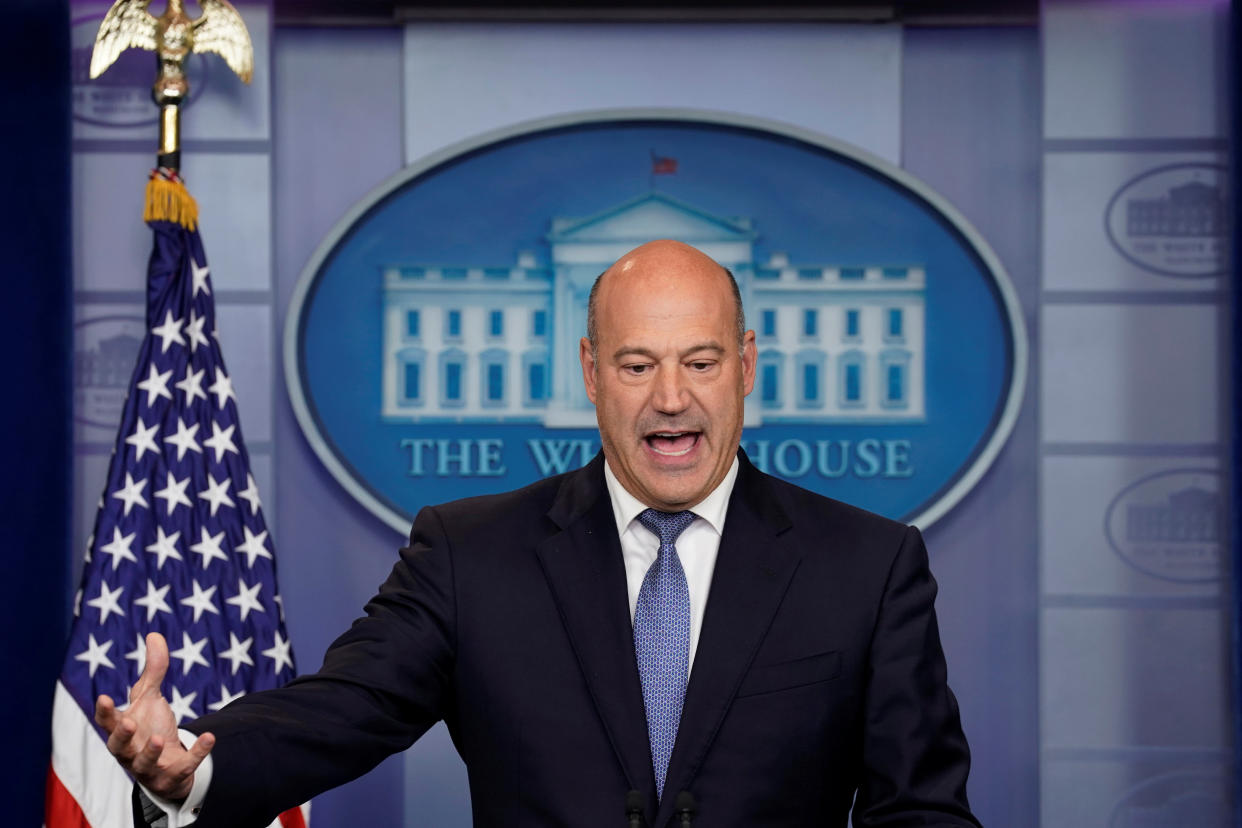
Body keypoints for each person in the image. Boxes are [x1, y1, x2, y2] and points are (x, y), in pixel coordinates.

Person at [97, 240, 981, 827]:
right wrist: (195, 768)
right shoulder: (470, 555)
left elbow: (923, 811)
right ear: (592, 373)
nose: (671, 398)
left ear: (745, 367)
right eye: (637, 365)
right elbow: (340, 710)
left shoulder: (867, 567)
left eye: (701, 363)